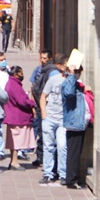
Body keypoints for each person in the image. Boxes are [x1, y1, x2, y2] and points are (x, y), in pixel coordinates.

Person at [39, 54, 69, 185]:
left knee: (62, 146)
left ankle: (63, 173)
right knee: (48, 146)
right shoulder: (54, 79)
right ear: (62, 67)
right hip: (50, 117)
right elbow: (43, 95)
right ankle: (48, 173)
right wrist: (44, 113)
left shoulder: (72, 81)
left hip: (63, 119)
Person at [62, 61, 91, 189]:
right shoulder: (68, 83)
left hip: (82, 122)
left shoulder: (79, 85)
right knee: (73, 152)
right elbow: (69, 93)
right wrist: (71, 75)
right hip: (74, 122)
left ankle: (77, 177)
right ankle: (71, 179)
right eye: (77, 72)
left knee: (78, 152)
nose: (78, 75)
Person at [1, 65, 37, 170]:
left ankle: (13, 160)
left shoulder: (11, 83)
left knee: (14, 140)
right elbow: (22, 101)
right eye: (21, 73)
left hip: (14, 115)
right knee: (16, 140)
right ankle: (14, 162)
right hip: (17, 117)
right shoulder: (14, 85)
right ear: (16, 74)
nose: (22, 75)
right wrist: (32, 103)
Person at [29, 49, 54, 167]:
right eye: (41, 58)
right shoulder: (38, 70)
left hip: (48, 105)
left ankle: (45, 158)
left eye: (45, 58)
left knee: (46, 133)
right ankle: (40, 157)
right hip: (39, 105)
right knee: (40, 131)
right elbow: (33, 86)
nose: (43, 60)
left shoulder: (51, 72)